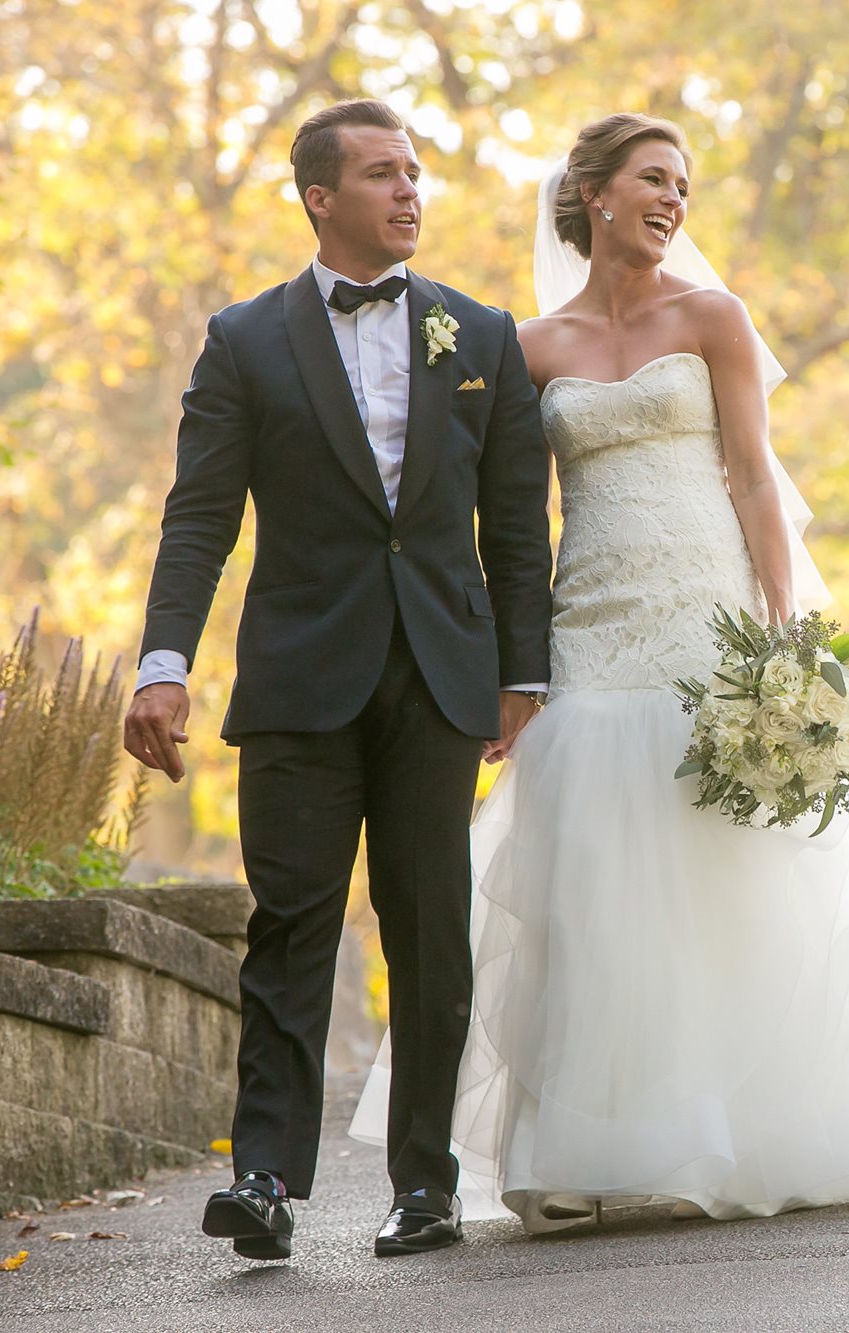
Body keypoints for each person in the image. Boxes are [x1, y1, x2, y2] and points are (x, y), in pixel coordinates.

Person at [352, 112, 849, 1233]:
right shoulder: (529, 346)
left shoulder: (714, 318)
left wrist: (785, 630)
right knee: (595, 879)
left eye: (683, 187)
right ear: (595, 195)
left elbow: (754, 477)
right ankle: (599, 1145)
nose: (672, 201)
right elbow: (511, 518)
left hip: (705, 619)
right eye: (653, 180)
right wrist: (514, 662)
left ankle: (746, 1127)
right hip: (590, 627)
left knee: (731, 870)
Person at [124, 98, 553, 1260]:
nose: (409, 191)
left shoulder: (481, 335)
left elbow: (517, 525)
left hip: (441, 674)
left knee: (429, 933)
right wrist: (164, 663)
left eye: (414, 172)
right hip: (298, 678)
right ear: (320, 197)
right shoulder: (244, 340)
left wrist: (524, 671)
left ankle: (427, 1185)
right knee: (289, 926)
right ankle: (263, 1178)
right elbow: (199, 516)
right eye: (381, 174)